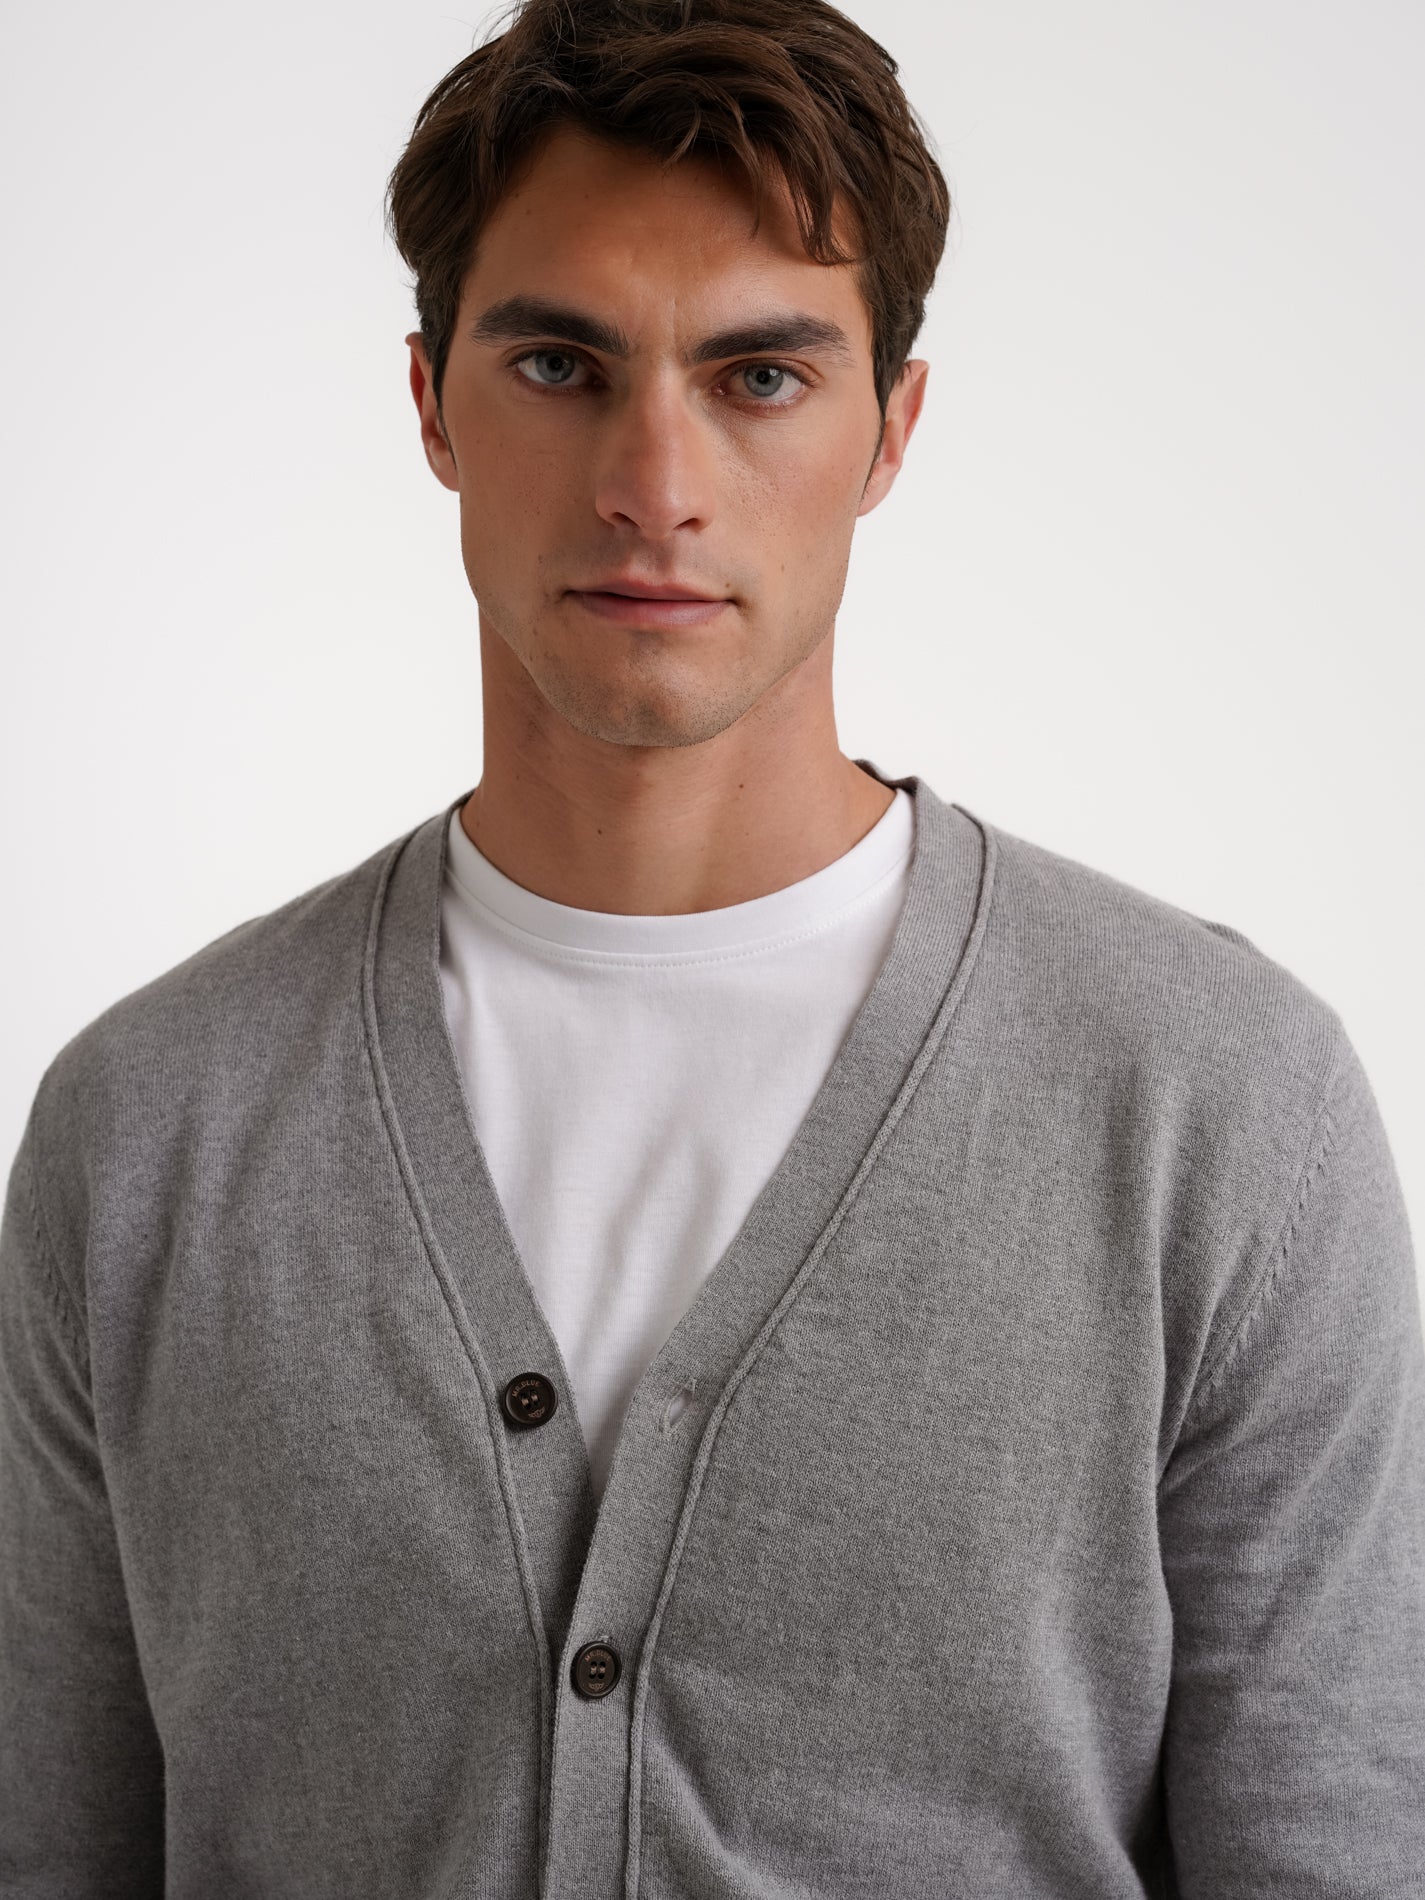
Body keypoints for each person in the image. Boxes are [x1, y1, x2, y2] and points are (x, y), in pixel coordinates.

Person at [2, 0, 1421, 1891]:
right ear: (429, 405)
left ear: (888, 430)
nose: (652, 482)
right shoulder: (146, 1131)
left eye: (758, 376)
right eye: (558, 363)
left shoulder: (1215, 1107)